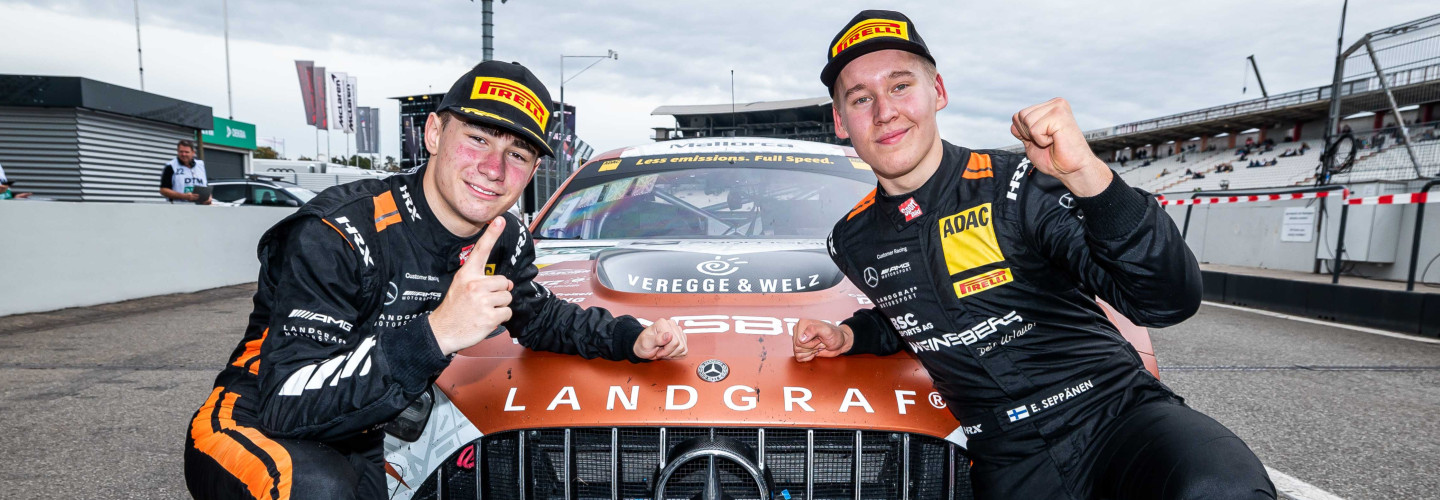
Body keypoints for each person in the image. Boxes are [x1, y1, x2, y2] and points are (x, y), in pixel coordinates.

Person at [793, 10, 1274, 500]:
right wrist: (852, 333)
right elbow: (914, 308)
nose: (884, 111)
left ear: (937, 92)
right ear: (839, 121)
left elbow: (1166, 300)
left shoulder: (1022, 184)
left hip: (1118, 416)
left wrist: (1087, 173)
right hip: (1008, 458)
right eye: (860, 98)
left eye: (900, 86)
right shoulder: (851, 239)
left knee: (1222, 488)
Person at [183, 61, 689, 500]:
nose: (494, 168)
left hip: (363, 427)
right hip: (254, 417)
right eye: (477, 139)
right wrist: (439, 333)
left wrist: (631, 337)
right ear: (432, 134)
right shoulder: (338, 231)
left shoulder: (502, 236)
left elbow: (540, 317)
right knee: (317, 490)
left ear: (533, 170)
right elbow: (285, 404)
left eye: (518, 155)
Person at [160, 139, 211, 204]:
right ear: (177, 152)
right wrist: (184, 196)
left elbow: (205, 186)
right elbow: (163, 190)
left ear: (193, 153)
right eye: (181, 152)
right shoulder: (171, 166)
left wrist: (208, 197)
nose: (183, 154)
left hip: (199, 208)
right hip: (179, 208)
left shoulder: (200, 165)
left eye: (186, 152)